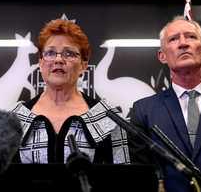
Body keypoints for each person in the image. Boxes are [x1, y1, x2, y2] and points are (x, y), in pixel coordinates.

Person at [11, 19, 129, 164]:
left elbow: (122, 179)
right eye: (50, 53)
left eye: (69, 54)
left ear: (83, 65)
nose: (59, 60)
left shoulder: (108, 118)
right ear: (41, 63)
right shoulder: (16, 118)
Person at [128, 16, 201, 192]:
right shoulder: (143, 111)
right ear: (162, 56)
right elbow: (140, 177)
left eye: (190, 37)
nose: (183, 43)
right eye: (173, 39)